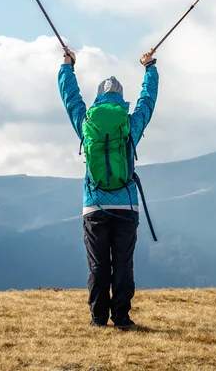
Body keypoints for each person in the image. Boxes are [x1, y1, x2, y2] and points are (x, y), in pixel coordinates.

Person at [58, 48, 159, 329]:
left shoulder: (86, 123)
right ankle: (123, 319)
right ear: (120, 100)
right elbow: (147, 101)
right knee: (123, 265)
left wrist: (68, 65)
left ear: (98, 99)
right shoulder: (129, 125)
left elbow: (70, 99)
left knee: (98, 265)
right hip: (127, 205)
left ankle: (98, 319)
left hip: (94, 206)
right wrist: (149, 67)